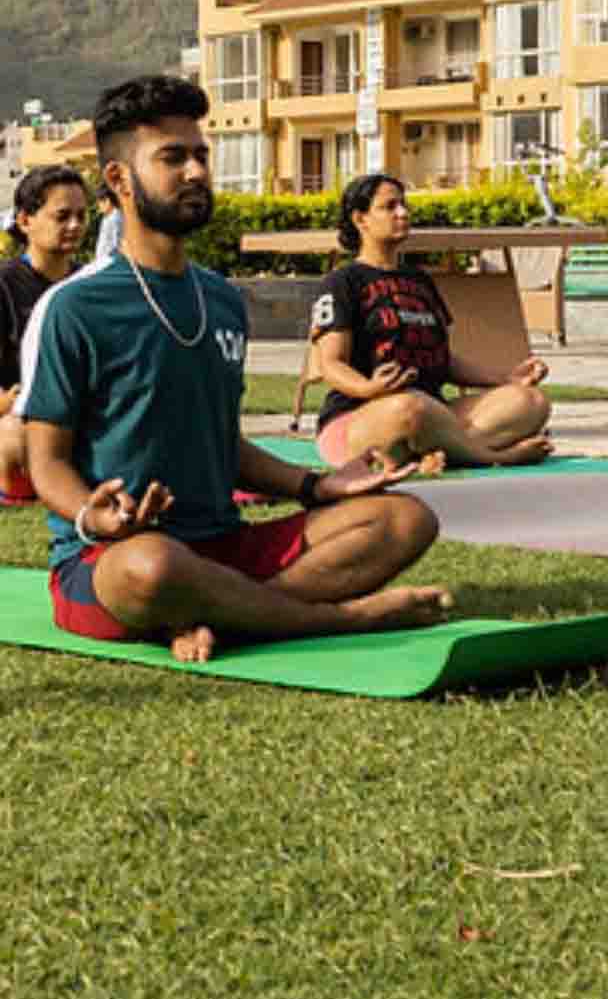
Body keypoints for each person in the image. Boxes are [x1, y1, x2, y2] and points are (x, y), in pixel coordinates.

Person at [25, 76, 451, 662]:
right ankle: (337, 618)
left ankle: (226, 616)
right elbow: (44, 459)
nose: (196, 171)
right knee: (151, 568)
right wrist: (92, 518)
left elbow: (225, 443)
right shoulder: (73, 306)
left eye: (200, 154)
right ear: (119, 180)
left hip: (222, 543)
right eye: (172, 158)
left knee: (406, 520)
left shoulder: (221, 299)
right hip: (115, 557)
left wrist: (316, 486)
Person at [309, 173, 554, 470]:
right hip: (363, 417)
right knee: (408, 408)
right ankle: (493, 456)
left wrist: (506, 379)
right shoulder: (342, 282)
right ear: (361, 219)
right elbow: (330, 365)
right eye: (390, 207)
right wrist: (369, 389)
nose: (403, 213)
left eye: (404, 205)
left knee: (530, 401)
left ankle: (436, 452)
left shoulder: (420, 281)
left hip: (432, 413)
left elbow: (443, 360)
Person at [0, 166, 90, 503]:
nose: (75, 226)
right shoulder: (4, 285)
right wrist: (11, 402)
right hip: (19, 422)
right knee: (14, 434)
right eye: (62, 216)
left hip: (79, 419)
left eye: (82, 216)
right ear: (25, 221)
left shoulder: (91, 284)